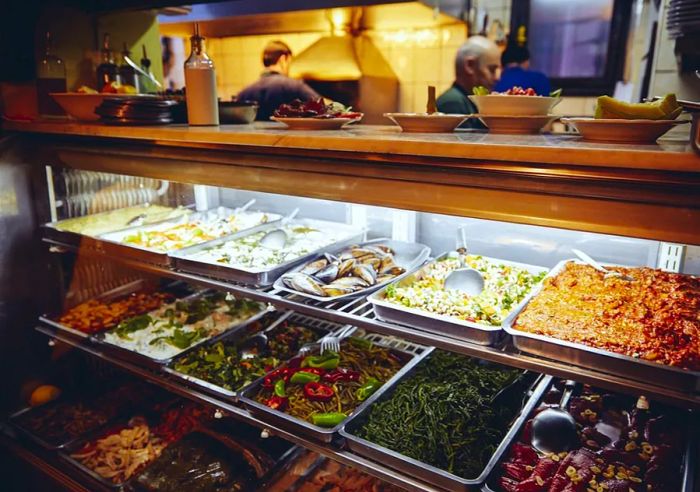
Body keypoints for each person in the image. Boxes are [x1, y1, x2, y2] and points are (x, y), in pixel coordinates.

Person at [237, 40, 321, 121]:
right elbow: (321, 105)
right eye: (290, 62)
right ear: (283, 59)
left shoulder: (244, 93)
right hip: (288, 135)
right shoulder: (294, 86)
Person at [437, 35, 501, 121]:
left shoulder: (464, 101)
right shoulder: (452, 103)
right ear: (470, 66)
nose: (497, 78)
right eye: (491, 69)